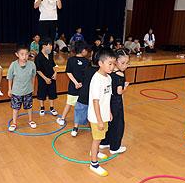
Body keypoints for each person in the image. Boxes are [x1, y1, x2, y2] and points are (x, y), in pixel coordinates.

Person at [88, 47, 116, 176]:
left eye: (113, 64)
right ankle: (94, 163)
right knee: (97, 139)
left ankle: (95, 151)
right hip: (96, 116)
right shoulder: (96, 79)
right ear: (100, 63)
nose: (112, 67)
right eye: (109, 64)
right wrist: (99, 120)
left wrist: (109, 112)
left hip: (104, 114)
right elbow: (95, 102)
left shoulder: (108, 78)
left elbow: (108, 97)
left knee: (99, 138)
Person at [100, 48, 130, 154]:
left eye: (127, 63)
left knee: (109, 122)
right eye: (122, 63)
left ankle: (104, 142)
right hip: (116, 102)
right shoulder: (120, 75)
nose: (125, 66)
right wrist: (125, 88)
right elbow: (119, 92)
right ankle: (115, 147)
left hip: (107, 101)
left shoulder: (108, 72)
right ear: (115, 61)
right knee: (118, 124)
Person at [56, 40, 89, 126]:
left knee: (69, 103)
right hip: (83, 87)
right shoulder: (87, 61)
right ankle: (85, 121)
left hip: (73, 86)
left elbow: (68, 72)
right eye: (86, 49)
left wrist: (75, 83)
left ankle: (62, 119)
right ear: (83, 51)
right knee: (83, 105)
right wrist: (81, 83)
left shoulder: (71, 60)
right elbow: (88, 75)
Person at [7, 43, 37, 131]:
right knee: (15, 108)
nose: (24, 57)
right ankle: (14, 122)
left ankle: (30, 120)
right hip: (16, 92)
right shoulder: (13, 65)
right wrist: (9, 89)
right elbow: (10, 78)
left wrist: (33, 87)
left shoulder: (32, 65)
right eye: (22, 54)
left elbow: (33, 76)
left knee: (29, 106)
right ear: (17, 54)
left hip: (28, 91)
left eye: (26, 54)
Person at [34, 37, 58, 116]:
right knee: (42, 93)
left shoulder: (50, 55)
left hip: (51, 77)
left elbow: (54, 65)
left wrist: (55, 73)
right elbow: (38, 70)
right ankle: (42, 107)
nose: (51, 47)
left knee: (52, 93)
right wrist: (45, 78)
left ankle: (52, 108)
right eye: (50, 45)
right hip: (43, 79)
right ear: (44, 46)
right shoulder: (38, 57)